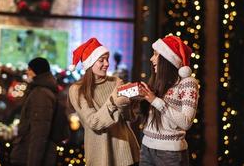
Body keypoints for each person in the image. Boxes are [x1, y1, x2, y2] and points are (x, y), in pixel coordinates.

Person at [68, 38, 140, 166]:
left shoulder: (116, 81)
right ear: (90, 63)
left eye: (107, 59)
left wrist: (130, 101)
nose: (106, 64)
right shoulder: (77, 90)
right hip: (99, 155)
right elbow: (94, 122)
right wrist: (114, 100)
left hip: (125, 151)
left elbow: (129, 118)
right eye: (101, 60)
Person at [139, 36, 199, 166]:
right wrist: (138, 98)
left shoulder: (187, 83)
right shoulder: (156, 81)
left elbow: (186, 122)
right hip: (146, 147)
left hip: (170, 154)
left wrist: (155, 100)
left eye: (155, 55)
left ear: (167, 59)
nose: (151, 59)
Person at [10, 57, 59, 166]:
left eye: (30, 69)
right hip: (28, 154)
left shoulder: (41, 94)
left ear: (37, 72)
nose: (27, 71)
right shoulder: (40, 91)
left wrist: (33, 162)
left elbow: (39, 133)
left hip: (28, 157)